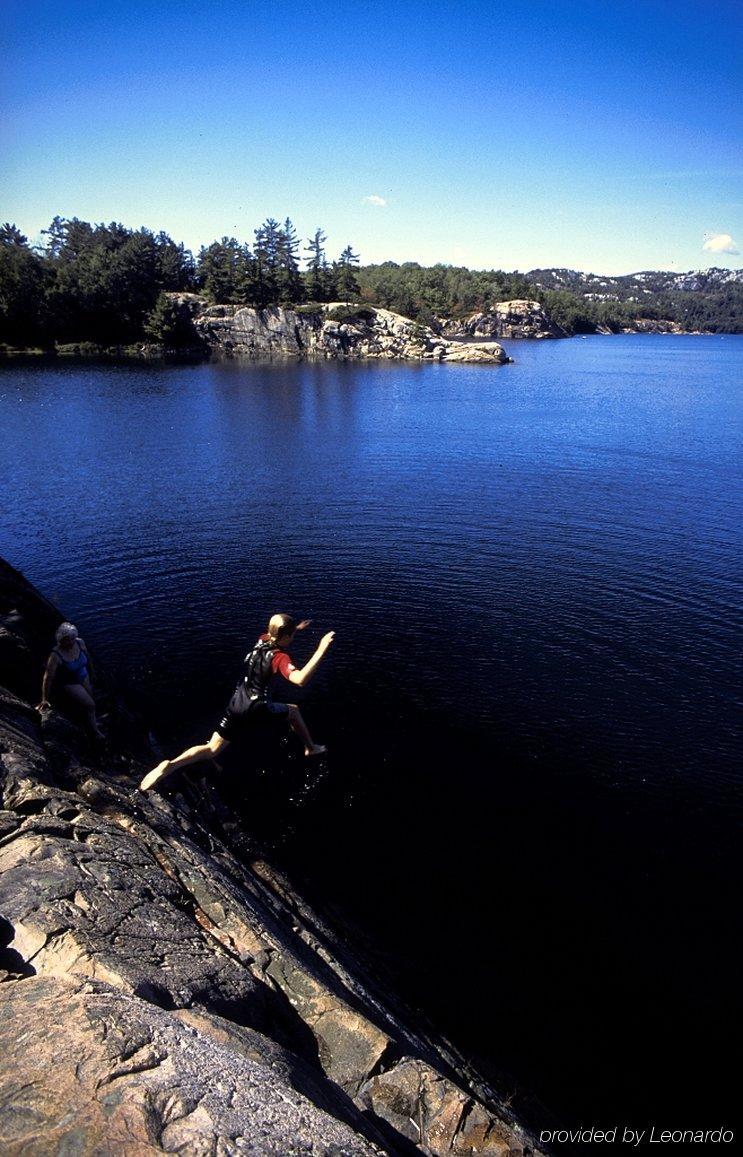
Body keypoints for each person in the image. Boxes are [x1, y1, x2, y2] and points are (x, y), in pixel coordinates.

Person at [140, 613, 334, 792]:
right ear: (285, 637)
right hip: (256, 707)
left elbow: (275, 633)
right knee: (294, 711)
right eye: (291, 636)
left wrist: (295, 628)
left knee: (212, 748)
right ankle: (310, 748)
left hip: (237, 702)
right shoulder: (280, 658)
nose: (292, 640)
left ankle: (171, 765)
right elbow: (299, 679)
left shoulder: (262, 639)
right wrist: (321, 648)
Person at [38, 622, 105, 740]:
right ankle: (95, 732)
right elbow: (48, 677)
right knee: (90, 705)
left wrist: (93, 672)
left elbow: (88, 658)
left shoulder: (79, 642)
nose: (70, 642)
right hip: (70, 682)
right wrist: (44, 699)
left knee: (91, 700)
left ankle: (92, 721)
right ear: (60, 640)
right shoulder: (56, 655)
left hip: (84, 675)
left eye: (72, 639)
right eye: (67, 640)